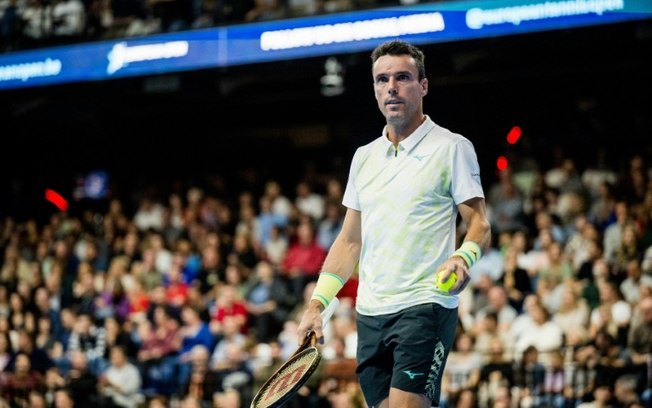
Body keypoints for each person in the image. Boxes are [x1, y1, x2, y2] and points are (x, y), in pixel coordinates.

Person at [297, 39, 491, 408]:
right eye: (382, 79)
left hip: (425, 304)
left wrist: (463, 258)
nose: (391, 87)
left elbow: (480, 222)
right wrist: (316, 305)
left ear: (423, 85)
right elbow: (349, 242)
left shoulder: (451, 147)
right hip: (370, 314)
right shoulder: (363, 158)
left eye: (402, 77)